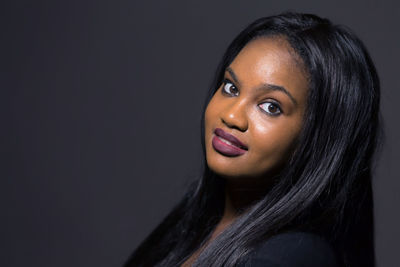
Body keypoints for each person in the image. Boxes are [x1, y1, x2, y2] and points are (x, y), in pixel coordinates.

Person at [124, 12, 381, 267]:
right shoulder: (193, 225)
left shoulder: (289, 257)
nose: (232, 115)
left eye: (270, 107)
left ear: (317, 140)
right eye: (231, 88)